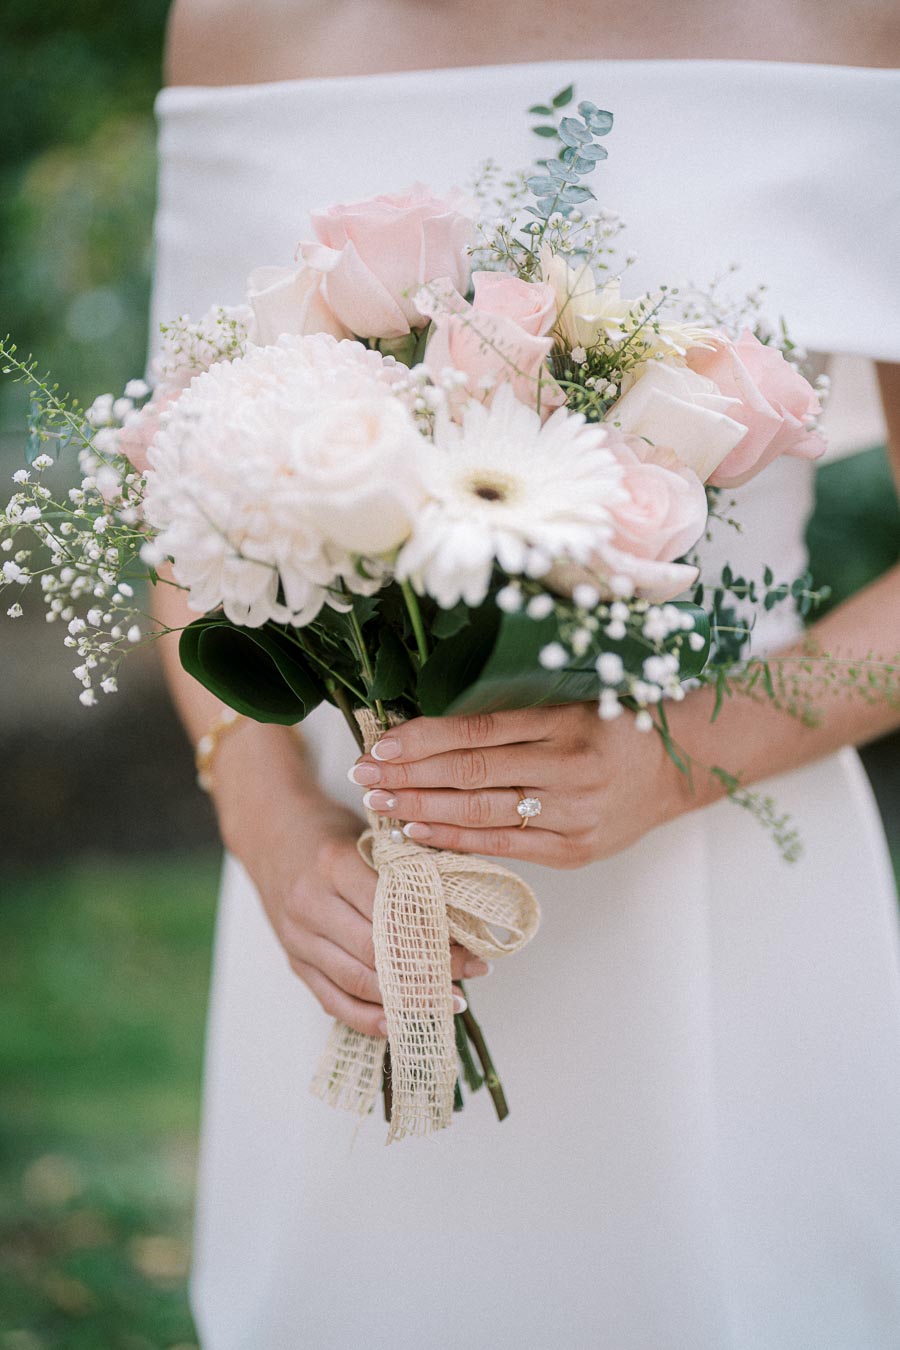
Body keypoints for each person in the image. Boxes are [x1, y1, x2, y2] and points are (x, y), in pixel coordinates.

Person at [152, 3, 900, 1345]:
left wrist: (681, 752)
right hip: (358, 907)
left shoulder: (848, 29)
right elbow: (184, 502)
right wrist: (272, 828)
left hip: (722, 900)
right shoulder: (242, 27)